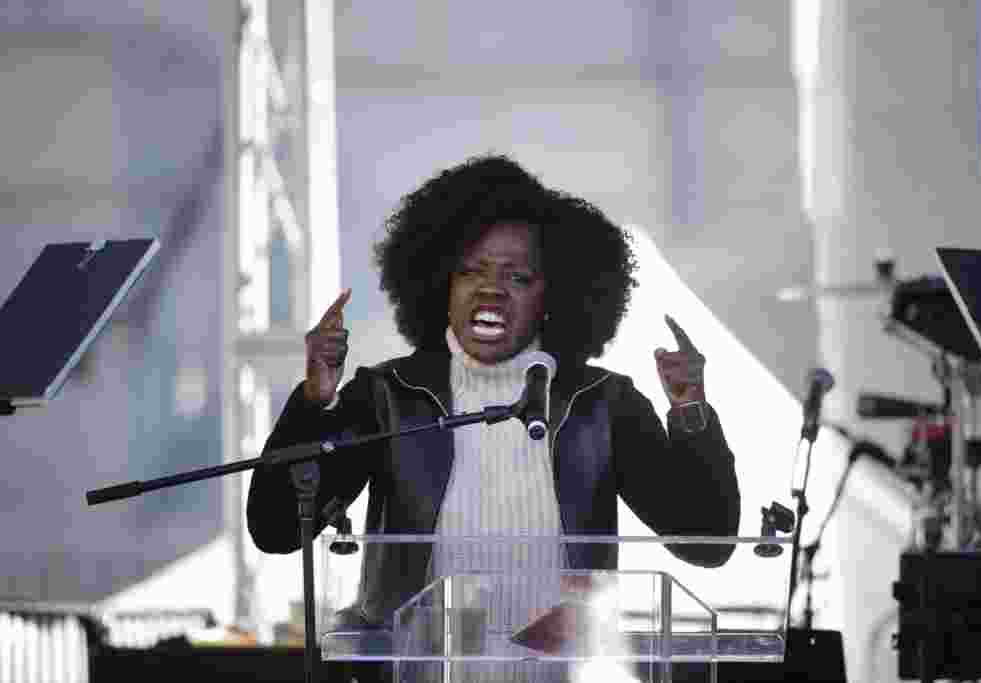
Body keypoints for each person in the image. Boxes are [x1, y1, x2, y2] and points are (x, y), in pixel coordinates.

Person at [247, 154, 741, 681]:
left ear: (552, 296)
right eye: (471, 271)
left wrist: (690, 410)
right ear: (440, 284)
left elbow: (705, 539)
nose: (491, 289)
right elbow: (276, 527)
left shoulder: (604, 403)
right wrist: (314, 401)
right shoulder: (390, 395)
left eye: (519, 277)